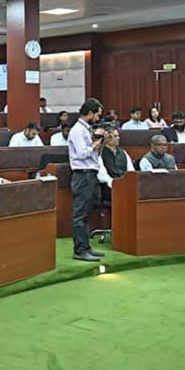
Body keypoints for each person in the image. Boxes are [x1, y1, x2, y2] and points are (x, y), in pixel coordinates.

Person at [69, 98, 106, 262]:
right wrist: (95, 144)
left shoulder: (87, 129)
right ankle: (80, 250)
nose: (98, 118)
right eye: (97, 115)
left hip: (90, 173)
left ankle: (86, 247)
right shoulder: (77, 130)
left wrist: (101, 143)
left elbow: (93, 154)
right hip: (82, 174)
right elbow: (82, 153)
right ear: (89, 113)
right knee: (80, 214)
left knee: (85, 213)